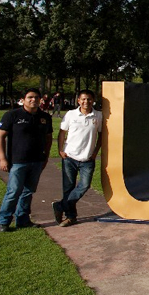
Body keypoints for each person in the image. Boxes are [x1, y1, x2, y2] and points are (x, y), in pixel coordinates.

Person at [0, 88, 53, 232]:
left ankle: (23, 220)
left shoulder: (45, 117)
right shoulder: (12, 115)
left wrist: (45, 157)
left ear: (41, 100)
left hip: (37, 161)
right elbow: (0, 137)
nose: (33, 100)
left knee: (28, 192)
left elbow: (48, 138)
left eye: (36, 97)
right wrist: (3, 158)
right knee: (13, 191)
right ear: (24, 99)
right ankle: (4, 222)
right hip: (17, 161)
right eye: (30, 97)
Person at [52, 90, 103, 227]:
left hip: (87, 159)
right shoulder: (71, 114)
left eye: (89, 99)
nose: (86, 102)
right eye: (84, 99)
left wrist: (95, 153)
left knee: (84, 185)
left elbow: (101, 136)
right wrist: (60, 150)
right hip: (70, 157)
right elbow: (62, 132)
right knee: (68, 188)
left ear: (93, 100)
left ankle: (60, 205)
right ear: (78, 101)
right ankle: (70, 217)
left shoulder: (98, 115)